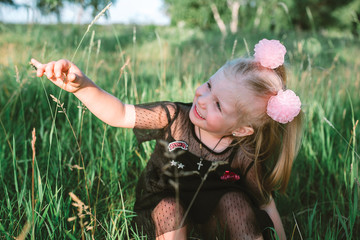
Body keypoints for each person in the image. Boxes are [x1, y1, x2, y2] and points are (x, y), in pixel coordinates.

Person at [31, 38, 303, 240]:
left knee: (237, 204)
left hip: (212, 218)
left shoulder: (243, 154)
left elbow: (265, 202)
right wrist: (82, 86)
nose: (203, 98)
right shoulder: (173, 116)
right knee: (170, 207)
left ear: (242, 130)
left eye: (219, 105)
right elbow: (121, 113)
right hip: (166, 207)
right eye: (209, 85)